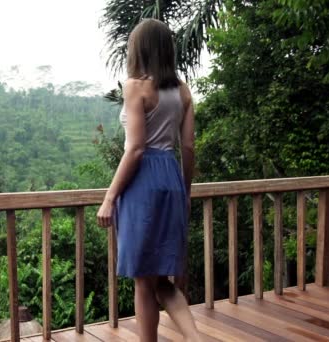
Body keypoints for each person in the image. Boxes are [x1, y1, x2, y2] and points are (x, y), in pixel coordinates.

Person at [96, 18, 201, 342]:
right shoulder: (182, 91)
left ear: (139, 49)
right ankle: (196, 339)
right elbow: (187, 147)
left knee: (143, 280)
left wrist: (110, 197)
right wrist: (184, 191)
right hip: (171, 177)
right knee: (160, 280)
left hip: (142, 183)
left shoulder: (135, 87)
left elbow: (137, 148)